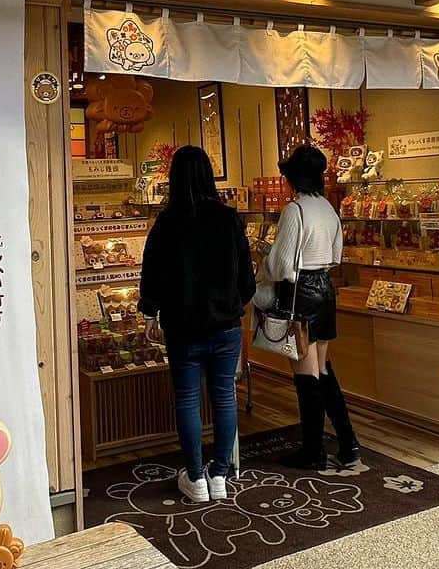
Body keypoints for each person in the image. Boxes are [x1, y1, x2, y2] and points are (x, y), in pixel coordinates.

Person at [139, 146, 256, 504]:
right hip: (226, 327)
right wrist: (233, 303)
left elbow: (152, 273)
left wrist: (149, 313)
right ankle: (219, 473)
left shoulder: (167, 223)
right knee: (224, 398)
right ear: (210, 175)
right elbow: (247, 281)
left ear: (173, 179)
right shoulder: (229, 219)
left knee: (188, 401)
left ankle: (195, 478)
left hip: (182, 328)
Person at [264, 144, 361, 472]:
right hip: (325, 291)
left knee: (306, 378)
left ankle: (313, 450)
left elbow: (280, 266)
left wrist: (264, 260)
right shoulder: (328, 209)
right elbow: (336, 255)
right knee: (322, 370)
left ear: (292, 178)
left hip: (300, 294)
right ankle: (348, 442)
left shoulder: (296, 210)